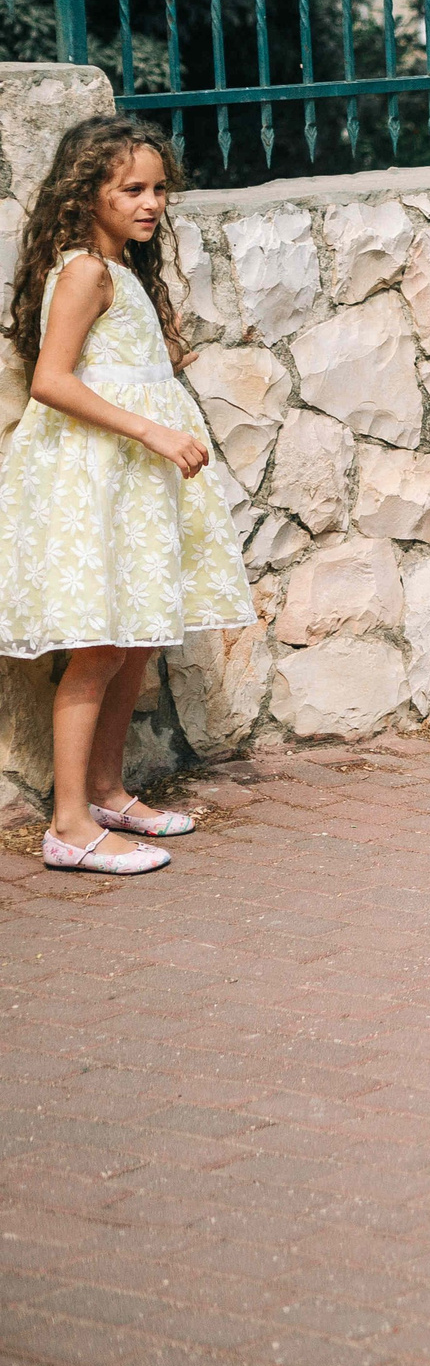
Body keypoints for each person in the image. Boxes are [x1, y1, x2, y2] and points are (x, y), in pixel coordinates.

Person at [0, 115, 253, 875]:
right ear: (89, 194)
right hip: (100, 471)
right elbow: (52, 380)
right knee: (100, 643)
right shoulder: (84, 270)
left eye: (160, 187)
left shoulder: (123, 270)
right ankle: (69, 825)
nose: (152, 202)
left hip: (136, 478)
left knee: (138, 634)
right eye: (132, 189)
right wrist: (151, 428)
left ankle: (108, 791)